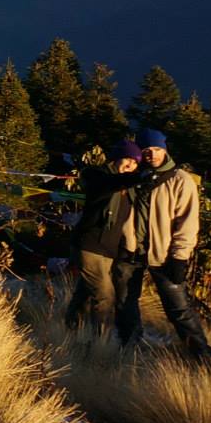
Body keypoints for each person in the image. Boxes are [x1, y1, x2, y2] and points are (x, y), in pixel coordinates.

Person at [110, 129, 211, 362]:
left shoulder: (181, 180)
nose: (152, 154)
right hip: (130, 250)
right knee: (125, 303)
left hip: (164, 255)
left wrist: (180, 256)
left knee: (178, 309)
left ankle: (202, 355)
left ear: (165, 150)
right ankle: (129, 349)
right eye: (147, 150)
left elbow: (187, 222)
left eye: (157, 149)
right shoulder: (135, 176)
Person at [66, 141, 140, 338]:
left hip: (109, 251)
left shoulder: (129, 191)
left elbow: (127, 222)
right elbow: (107, 185)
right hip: (89, 246)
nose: (130, 165)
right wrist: (134, 178)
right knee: (105, 296)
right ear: (116, 158)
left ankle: (71, 331)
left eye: (135, 163)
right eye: (127, 159)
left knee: (84, 294)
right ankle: (101, 341)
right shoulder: (98, 177)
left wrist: (130, 250)